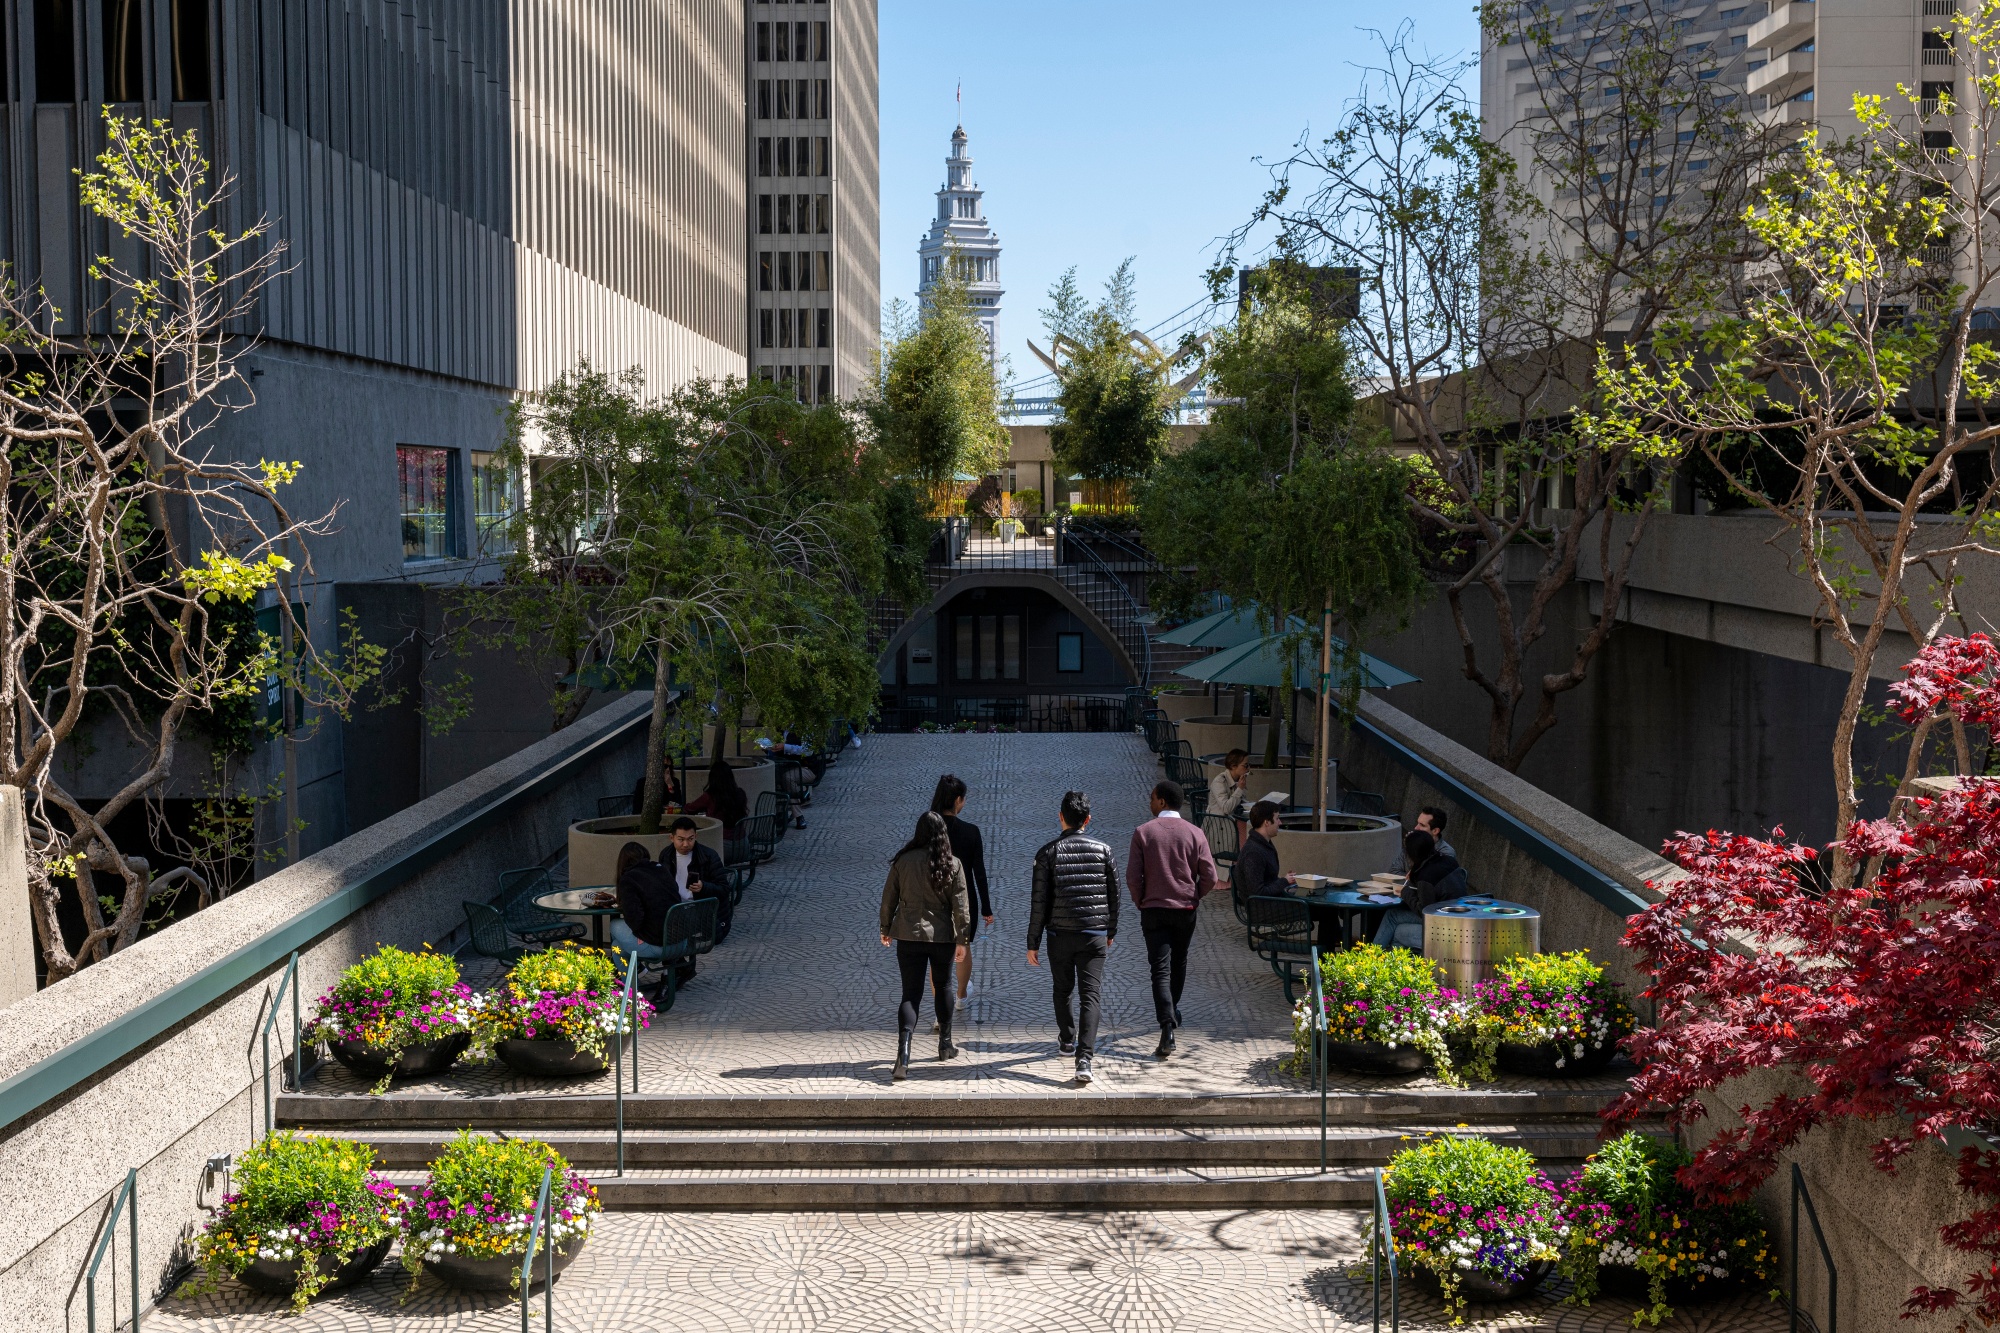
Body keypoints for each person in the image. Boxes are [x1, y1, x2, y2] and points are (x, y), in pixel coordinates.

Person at [1026, 790, 1119, 1085]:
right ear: (1088, 820)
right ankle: (1085, 1059)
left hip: (1059, 935)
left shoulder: (1047, 853)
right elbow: (1115, 895)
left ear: (1061, 817)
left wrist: (1033, 942)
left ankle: (1067, 1039)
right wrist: (1111, 930)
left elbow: (1038, 902)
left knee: (1063, 989)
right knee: (1091, 995)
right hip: (1094, 934)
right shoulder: (1104, 850)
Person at [1126, 778, 1218, 1060]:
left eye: (1152, 797)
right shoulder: (1195, 833)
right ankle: (1171, 1012)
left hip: (1154, 910)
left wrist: (1141, 900)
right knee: (1178, 963)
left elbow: (1132, 877)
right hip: (1185, 910)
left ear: (1162, 801)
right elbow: (1211, 876)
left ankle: (1167, 1026)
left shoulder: (1143, 833)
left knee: (1159, 969)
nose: (1149, 802)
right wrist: (1195, 895)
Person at [879, 810, 971, 1080]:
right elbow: (961, 907)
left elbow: (888, 899)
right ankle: (945, 1044)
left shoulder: (903, 861)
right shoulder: (952, 864)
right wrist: (962, 940)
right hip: (942, 937)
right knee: (943, 985)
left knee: (910, 993)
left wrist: (885, 928)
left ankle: (903, 1054)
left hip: (908, 935)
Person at [931, 774, 993, 1006]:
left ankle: (940, 1007)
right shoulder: (971, 832)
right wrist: (986, 908)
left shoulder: (929, 829)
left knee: (937, 955)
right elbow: (979, 872)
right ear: (958, 800)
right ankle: (960, 996)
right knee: (963, 946)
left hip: (934, 897)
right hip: (965, 900)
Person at [1373, 828, 1468, 950]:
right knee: (1397, 932)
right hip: (1458, 918)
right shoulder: (1449, 861)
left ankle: (1371, 956)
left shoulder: (1426, 876)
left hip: (1443, 927)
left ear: (1411, 854)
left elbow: (1424, 911)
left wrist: (1405, 892)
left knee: (1394, 921)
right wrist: (1415, 874)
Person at [1232, 800, 1294, 900]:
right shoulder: (1253, 852)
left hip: (1270, 903)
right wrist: (1284, 881)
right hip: (1263, 910)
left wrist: (1286, 880)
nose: (1280, 822)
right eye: (1277, 818)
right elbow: (1257, 893)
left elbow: (1268, 881)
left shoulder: (1263, 844)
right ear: (1266, 822)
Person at [685, 759, 749, 838]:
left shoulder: (710, 796)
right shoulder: (740, 793)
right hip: (742, 842)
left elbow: (690, 808)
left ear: (712, 778)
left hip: (722, 841)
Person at [1393, 806, 1456, 871]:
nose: (1416, 828)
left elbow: (1429, 877)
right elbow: (1394, 871)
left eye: (1422, 825)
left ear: (1435, 831)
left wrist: (1415, 848)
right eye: (1418, 823)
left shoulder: (1446, 853)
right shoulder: (1413, 841)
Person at [1208, 749, 1252, 825]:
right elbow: (1226, 809)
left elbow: (1241, 803)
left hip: (1233, 820)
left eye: (1249, 765)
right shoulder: (1219, 782)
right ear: (1233, 766)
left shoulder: (1239, 780)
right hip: (1219, 825)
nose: (1248, 768)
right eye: (1245, 765)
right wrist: (1240, 789)